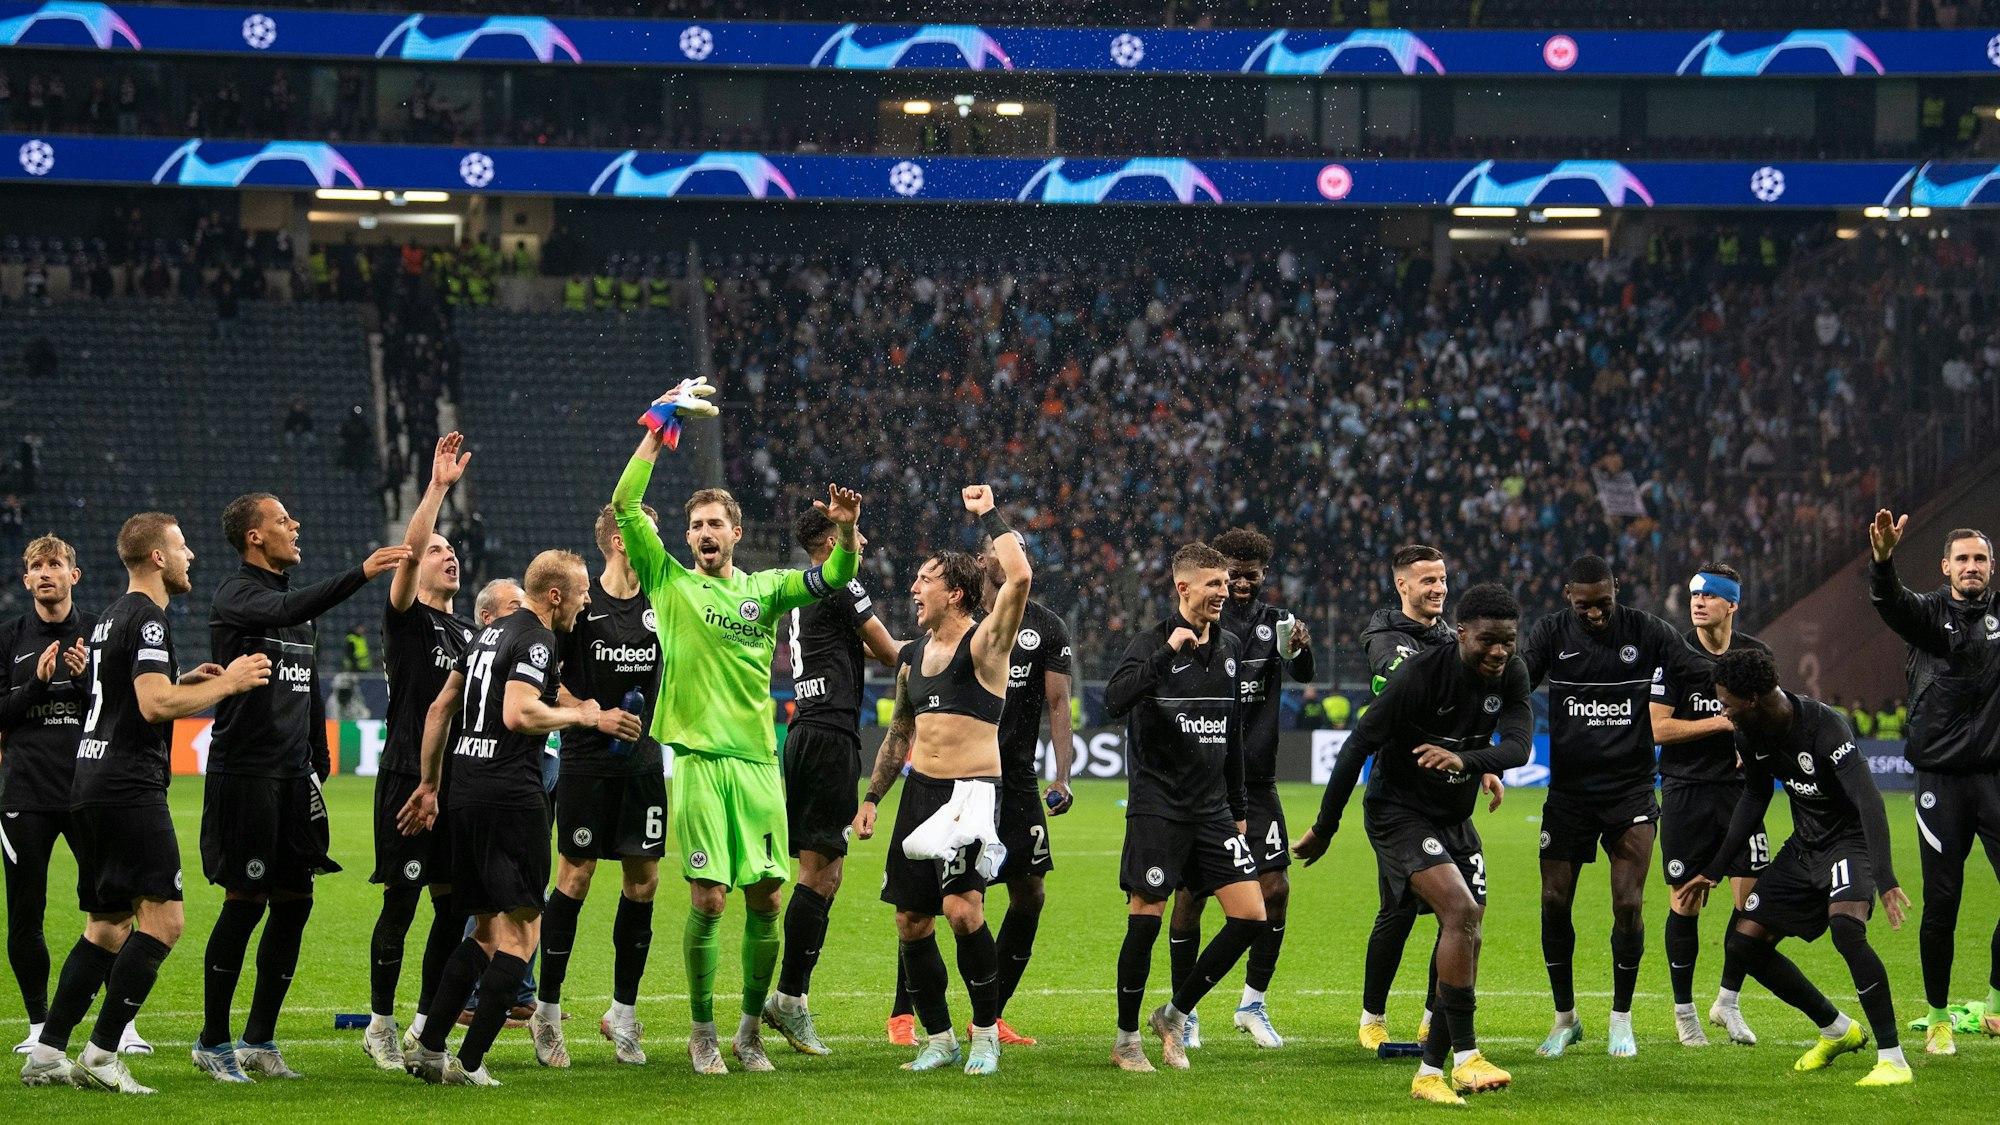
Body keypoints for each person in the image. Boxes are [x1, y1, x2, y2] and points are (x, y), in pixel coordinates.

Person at [610, 377, 863, 1075]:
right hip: (696, 759)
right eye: (695, 526)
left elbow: (834, 576)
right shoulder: (667, 578)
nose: (704, 534)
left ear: (736, 532)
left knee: (768, 897)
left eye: (715, 524)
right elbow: (625, 503)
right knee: (709, 896)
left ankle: (751, 1030)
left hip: (757, 762)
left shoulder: (766, 588)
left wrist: (844, 531)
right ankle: (702, 1032)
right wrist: (658, 427)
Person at [19, 513, 269, 1093]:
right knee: (165, 920)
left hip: (89, 782)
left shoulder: (109, 616)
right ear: (157, 556)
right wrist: (227, 682)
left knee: (106, 926)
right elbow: (154, 706)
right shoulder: (150, 617)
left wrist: (189, 679)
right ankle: (103, 1054)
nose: (191, 558)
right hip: (129, 786)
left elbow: (135, 695)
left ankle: (48, 1052)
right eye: (182, 547)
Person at [397, 551, 642, 1086]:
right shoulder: (536, 637)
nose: (585, 602)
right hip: (512, 798)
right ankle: (471, 1061)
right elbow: (519, 712)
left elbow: (440, 710)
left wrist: (432, 785)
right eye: (580, 593)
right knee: (523, 934)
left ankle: (432, 1046)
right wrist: (585, 714)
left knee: (485, 929)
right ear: (555, 595)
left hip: (465, 792)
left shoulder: (484, 635)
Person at [195, 494, 410, 1082]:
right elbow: (292, 600)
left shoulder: (294, 614)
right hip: (247, 774)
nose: (296, 526)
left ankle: (259, 1040)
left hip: (293, 776)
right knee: (245, 901)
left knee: (296, 901)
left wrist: (317, 756)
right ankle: (212, 1040)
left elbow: (306, 685)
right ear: (254, 537)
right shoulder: (237, 595)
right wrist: (361, 573)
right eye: (284, 521)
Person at [1296, 582, 1532, 1105]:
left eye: (1508, 641)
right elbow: (1358, 745)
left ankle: (1430, 1072)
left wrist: (1468, 762)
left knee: (1469, 927)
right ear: (1462, 633)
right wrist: (1326, 826)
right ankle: (1466, 1059)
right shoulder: (1419, 676)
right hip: (1397, 812)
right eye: (1488, 641)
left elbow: (1518, 746)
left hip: (1453, 816)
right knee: (1460, 909)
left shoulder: (1512, 671)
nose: (1499, 652)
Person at [852, 487, 1030, 1076]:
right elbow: (901, 731)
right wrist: (874, 797)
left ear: (953, 591)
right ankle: (938, 1037)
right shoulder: (912, 657)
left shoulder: (986, 643)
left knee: (963, 911)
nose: (913, 589)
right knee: (911, 919)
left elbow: (1020, 578)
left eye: (924, 580)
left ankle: (984, 1034)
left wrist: (987, 515)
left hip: (970, 794)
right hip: (919, 794)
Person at [1675, 649, 1914, 1088]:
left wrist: (1885, 876)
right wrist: (1715, 867)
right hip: (1805, 845)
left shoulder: (1824, 726)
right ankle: (1837, 1029)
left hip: (1850, 841)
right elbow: (1754, 797)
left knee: (1846, 930)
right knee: (1742, 944)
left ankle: (1893, 1059)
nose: (1721, 710)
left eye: (1725, 702)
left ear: (1750, 698)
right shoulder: (1747, 732)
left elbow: (1868, 799)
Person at [1520, 554, 1710, 1059]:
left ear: (1616, 590)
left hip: (1629, 792)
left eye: (1603, 603)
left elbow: (1694, 672)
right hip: (1568, 795)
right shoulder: (1551, 634)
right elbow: (1514, 682)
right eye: (1584, 606)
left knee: (1627, 904)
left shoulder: (1647, 631)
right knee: (1553, 902)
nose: (1594, 614)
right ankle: (1565, 1020)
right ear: (1567, 596)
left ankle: (1620, 1020)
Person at [1103, 542, 1265, 1073]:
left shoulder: (1231, 648)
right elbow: (1114, 700)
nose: (1225, 592)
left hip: (1213, 811)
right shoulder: (1152, 643)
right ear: (1184, 589)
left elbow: (1232, 736)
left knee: (1250, 917)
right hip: (1157, 808)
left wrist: (1239, 811)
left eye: (1226, 583)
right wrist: (1165, 654)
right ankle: (1127, 1039)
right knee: (1145, 921)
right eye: (1215, 584)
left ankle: (1174, 1013)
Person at [532, 501, 676, 1068]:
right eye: (649, 533)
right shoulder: (581, 606)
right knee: (576, 874)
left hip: (642, 763)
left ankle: (623, 1014)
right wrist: (590, 711)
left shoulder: (662, 603)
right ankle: (545, 1013)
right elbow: (548, 681)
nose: (658, 542)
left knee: (644, 880)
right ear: (620, 540)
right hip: (587, 760)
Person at [764, 507, 901, 1056]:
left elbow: (858, 644)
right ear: (830, 541)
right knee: (823, 874)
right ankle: (789, 999)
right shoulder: (844, 585)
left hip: (803, 734)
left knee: (815, 871)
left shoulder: (805, 592)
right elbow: (890, 653)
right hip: (830, 739)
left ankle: (784, 997)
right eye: (851, 533)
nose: (862, 541)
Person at [1167, 527, 1309, 1050]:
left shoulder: (1279, 625)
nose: (1242, 584)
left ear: (1264, 576)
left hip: (1260, 781)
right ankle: (1187, 1008)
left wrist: (1302, 650)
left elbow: (1304, 672)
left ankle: (1253, 1003)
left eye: (1252, 575)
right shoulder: (1201, 624)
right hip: (1204, 784)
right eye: (1233, 575)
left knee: (1275, 890)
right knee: (1191, 896)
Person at [2, 536, 144, 1055]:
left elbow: (125, 709)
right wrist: (36, 687)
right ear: (25, 580)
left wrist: (86, 684)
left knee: (115, 911)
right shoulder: (9, 638)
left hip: (91, 791)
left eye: (55, 564)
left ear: (74, 575)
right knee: (25, 913)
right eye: (35, 566)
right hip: (25, 794)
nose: (45, 573)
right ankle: (39, 1024)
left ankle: (120, 1027)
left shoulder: (98, 636)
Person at [1355, 544, 1501, 1049]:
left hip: (1450, 796)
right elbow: (1403, 683)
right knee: (1396, 912)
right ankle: (1372, 1017)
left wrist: (1480, 764)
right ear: (1402, 586)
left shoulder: (1447, 634)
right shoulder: (1386, 637)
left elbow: (1467, 709)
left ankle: (1432, 1014)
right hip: (1401, 798)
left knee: (1460, 911)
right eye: (1427, 581)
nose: (1438, 588)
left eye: (1442, 579)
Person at [1864, 514, 2000, 1051]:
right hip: (1938, 782)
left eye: (1980, 559)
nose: (1971, 567)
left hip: (1994, 778)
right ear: (1946, 568)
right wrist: (1882, 562)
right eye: (1962, 559)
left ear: (1992, 568)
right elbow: (1890, 601)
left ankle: (1994, 1007)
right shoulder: (1927, 615)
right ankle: (1940, 1017)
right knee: (1944, 903)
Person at [361, 434, 472, 1070]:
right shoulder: (409, 620)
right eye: (437, 552)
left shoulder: (472, 632)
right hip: (408, 777)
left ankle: (427, 1023)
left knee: (451, 906)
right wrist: (437, 490)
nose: (446, 557)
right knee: (400, 901)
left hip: (458, 782)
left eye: (452, 551)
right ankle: (379, 1023)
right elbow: (405, 559)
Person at [1650, 564, 1772, 1047]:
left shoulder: (1756, 656)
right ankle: (1684, 1013)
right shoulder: (1673, 655)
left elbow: (1771, 715)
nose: (1698, 602)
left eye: (1709, 595)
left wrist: (1754, 738)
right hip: (1686, 791)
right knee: (1686, 900)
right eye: (1693, 594)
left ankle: (1728, 1001)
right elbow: (1658, 729)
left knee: (1752, 906)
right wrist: (1723, 726)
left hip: (1742, 794)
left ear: (1732, 604)